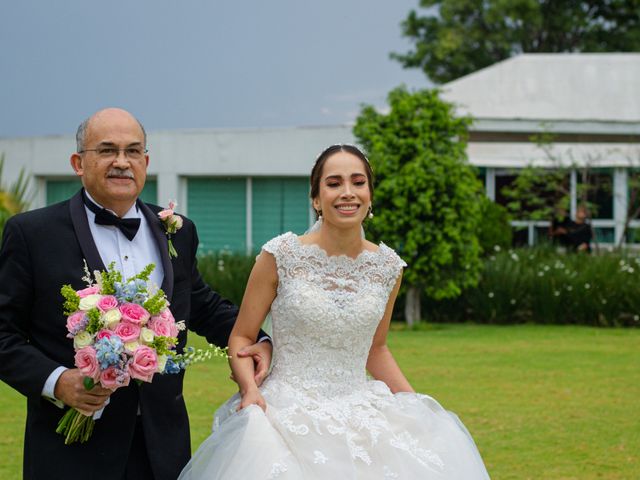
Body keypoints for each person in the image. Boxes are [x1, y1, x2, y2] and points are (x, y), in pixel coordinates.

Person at [179, 144, 490, 479]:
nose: (347, 193)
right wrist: (249, 391)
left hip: (361, 409)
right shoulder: (280, 256)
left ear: (370, 195)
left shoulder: (388, 267)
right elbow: (241, 335)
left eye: (358, 182)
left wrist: (416, 407)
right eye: (334, 183)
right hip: (284, 412)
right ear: (316, 198)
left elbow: (377, 348)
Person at [0, 108, 271, 480]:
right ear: (79, 163)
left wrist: (260, 338)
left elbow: (200, 305)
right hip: (70, 453)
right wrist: (58, 382)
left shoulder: (177, 230)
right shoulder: (33, 234)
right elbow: (3, 334)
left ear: (146, 161)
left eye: (132, 151)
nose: (121, 162)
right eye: (107, 150)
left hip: (162, 447)